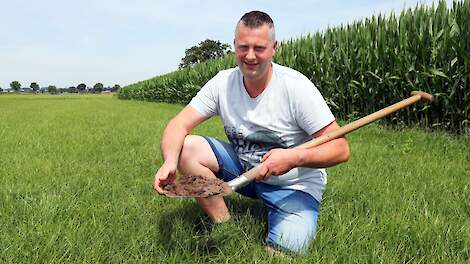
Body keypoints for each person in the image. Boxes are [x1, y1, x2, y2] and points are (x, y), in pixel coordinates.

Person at [154, 10, 349, 254]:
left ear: (274, 47)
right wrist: (170, 162)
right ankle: (224, 224)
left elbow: (341, 148)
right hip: (247, 173)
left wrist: (294, 157)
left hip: (294, 184)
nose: (250, 56)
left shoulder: (296, 87)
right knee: (187, 148)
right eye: (243, 47)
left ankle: (286, 219)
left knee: (282, 254)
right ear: (234, 45)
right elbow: (178, 124)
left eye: (259, 48)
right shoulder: (222, 83)